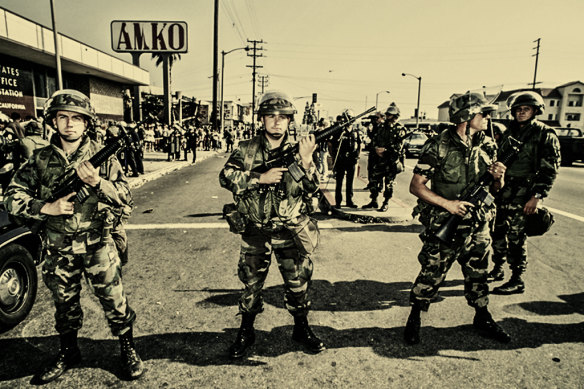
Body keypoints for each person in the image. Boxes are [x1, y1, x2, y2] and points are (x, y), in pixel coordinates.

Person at [4, 89, 144, 383]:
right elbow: (11, 195)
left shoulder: (102, 156)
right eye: (63, 117)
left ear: (86, 122)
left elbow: (126, 197)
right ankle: (69, 352)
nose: (70, 123)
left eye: (77, 118)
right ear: (53, 121)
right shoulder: (40, 159)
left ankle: (128, 349)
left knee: (114, 301)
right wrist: (47, 207)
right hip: (59, 247)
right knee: (64, 304)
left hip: (97, 244)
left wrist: (99, 182)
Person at [219, 91, 325, 358]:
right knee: (251, 284)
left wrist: (307, 160)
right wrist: (258, 177)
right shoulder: (246, 149)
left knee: (298, 284)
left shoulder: (301, 150)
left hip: (289, 231)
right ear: (262, 120)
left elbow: (313, 189)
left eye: (283, 117)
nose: (277, 122)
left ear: (290, 121)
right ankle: (246, 331)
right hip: (256, 231)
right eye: (271, 116)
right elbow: (226, 177)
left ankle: (301, 328)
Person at [404, 92, 511, 345]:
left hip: (477, 223)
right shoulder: (438, 144)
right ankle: (414, 317)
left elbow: (496, 191)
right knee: (431, 272)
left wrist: (498, 178)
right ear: (465, 116)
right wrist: (448, 205)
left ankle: (482, 316)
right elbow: (416, 186)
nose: (487, 117)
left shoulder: (489, 144)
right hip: (445, 222)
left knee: (478, 274)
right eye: (482, 113)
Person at [489, 91, 561, 293]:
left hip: (525, 193)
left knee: (516, 235)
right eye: (518, 109)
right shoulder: (508, 131)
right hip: (503, 189)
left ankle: (517, 278)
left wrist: (537, 197)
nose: (521, 113)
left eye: (526, 109)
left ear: (535, 111)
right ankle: (497, 268)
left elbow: (549, 169)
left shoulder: (544, 134)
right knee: (497, 230)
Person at [362, 103, 407, 212]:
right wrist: (376, 148)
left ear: (396, 116)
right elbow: (375, 140)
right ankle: (374, 201)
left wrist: (385, 150)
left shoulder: (399, 129)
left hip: (390, 161)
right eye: (387, 114)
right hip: (378, 160)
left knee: (389, 184)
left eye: (390, 115)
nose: (387, 116)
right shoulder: (381, 127)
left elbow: (398, 148)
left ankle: (385, 202)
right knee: (373, 181)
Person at [328, 112, 361, 208]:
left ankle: (349, 201)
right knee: (339, 181)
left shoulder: (355, 131)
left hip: (351, 160)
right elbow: (331, 144)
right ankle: (338, 202)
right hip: (341, 159)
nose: (349, 121)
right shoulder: (339, 131)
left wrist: (357, 155)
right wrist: (333, 157)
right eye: (347, 119)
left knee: (350, 182)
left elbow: (359, 144)